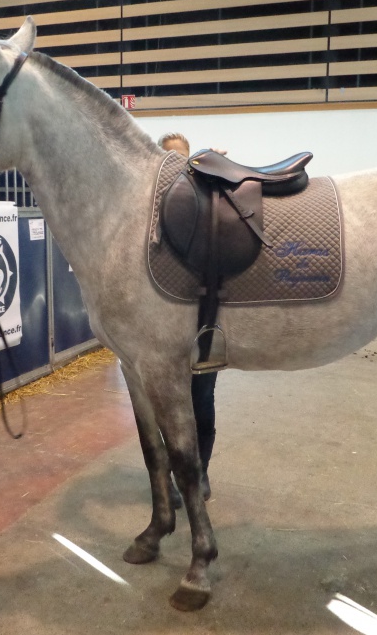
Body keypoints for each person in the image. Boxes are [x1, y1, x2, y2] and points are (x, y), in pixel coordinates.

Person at [157, 132, 220, 507]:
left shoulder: (207, 206)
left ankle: (201, 471)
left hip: (201, 324)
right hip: (166, 330)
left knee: (202, 402)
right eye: (168, 159)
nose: (175, 166)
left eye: (181, 159)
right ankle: (173, 471)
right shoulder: (151, 213)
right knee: (168, 407)